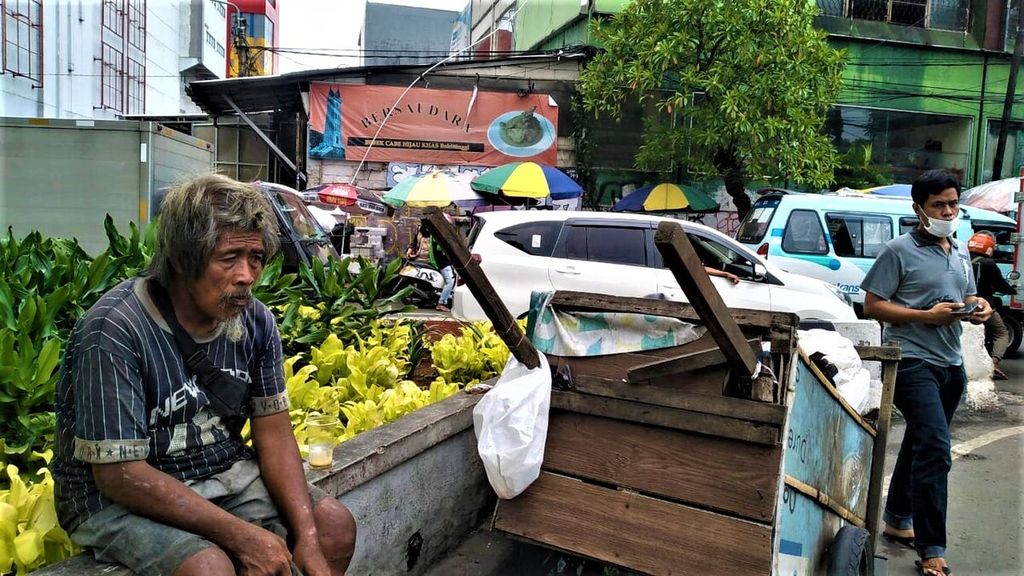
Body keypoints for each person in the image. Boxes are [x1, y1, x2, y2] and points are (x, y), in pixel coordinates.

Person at [52, 174, 357, 576]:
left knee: (333, 526)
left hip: (219, 470)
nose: (247, 275)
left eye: (257, 258)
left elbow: (274, 431)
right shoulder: (114, 329)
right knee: (208, 567)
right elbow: (119, 475)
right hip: (114, 497)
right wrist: (242, 536)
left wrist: (309, 541)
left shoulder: (256, 321)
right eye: (229, 258)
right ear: (183, 258)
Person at [860, 169, 991, 576]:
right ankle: (932, 547)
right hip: (911, 360)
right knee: (935, 448)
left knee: (920, 442)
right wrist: (923, 316)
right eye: (939, 205)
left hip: (951, 364)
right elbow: (872, 305)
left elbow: (965, 294)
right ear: (919, 209)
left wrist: (978, 306)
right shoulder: (898, 250)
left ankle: (897, 519)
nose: (948, 211)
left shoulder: (958, 250)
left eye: (953, 203)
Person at [967, 231, 1017, 380]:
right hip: (983, 307)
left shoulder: (960, 258)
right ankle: (994, 363)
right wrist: (1011, 290)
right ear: (989, 248)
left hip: (962, 305)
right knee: (1001, 333)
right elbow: (1001, 284)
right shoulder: (988, 263)